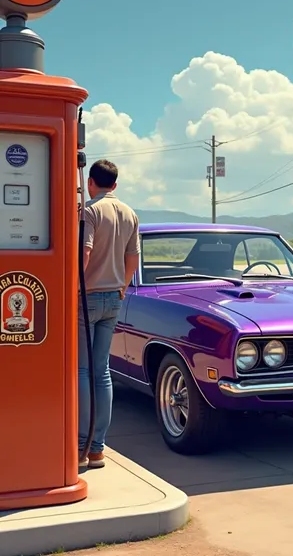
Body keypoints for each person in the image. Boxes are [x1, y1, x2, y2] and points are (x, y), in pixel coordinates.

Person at [78, 159, 140, 469]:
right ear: (114, 184)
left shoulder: (89, 210)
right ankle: (98, 448)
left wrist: (75, 287)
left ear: (91, 182)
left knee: (81, 370)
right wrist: (122, 288)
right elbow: (133, 258)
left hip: (86, 296)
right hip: (114, 297)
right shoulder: (129, 213)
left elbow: (85, 252)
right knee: (102, 371)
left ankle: (79, 444)